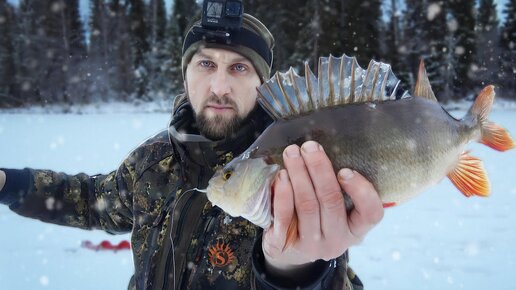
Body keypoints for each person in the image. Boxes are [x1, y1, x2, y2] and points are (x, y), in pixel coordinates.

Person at [0, 12, 384, 290]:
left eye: (238, 68)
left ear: (262, 83)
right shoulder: (152, 161)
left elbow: (332, 272)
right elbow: (89, 200)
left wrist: (294, 272)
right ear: (185, 77)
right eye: (205, 63)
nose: (219, 86)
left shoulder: (291, 165)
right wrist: (7, 183)